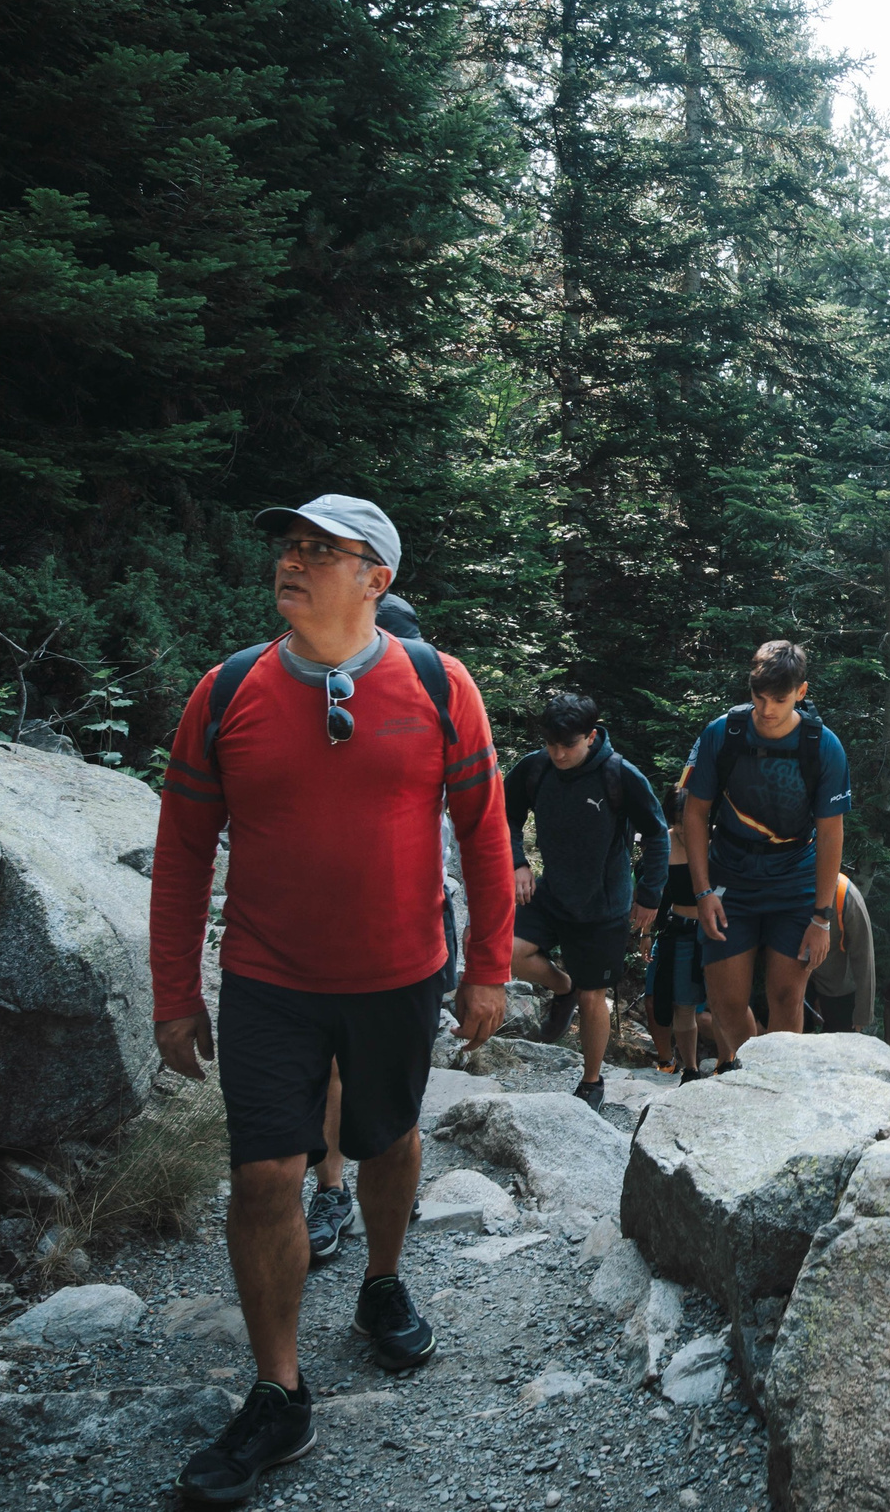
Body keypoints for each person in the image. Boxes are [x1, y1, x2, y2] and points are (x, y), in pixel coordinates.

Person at [151, 494, 512, 1505]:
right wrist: (172, 992)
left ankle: (382, 1283)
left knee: (388, 1138)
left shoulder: (440, 686)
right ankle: (279, 1394)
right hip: (267, 977)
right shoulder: (226, 692)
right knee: (266, 1175)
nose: (294, 560)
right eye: (290, 544)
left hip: (401, 970)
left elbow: (485, 832)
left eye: (324, 549)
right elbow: (182, 853)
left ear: (375, 579)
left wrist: (487, 966)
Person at [304, 591, 459, 1267]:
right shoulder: (316, 708)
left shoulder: (436, 698)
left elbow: (472, 825)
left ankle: (384, 1176)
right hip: (334, 923)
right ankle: (335, 1187)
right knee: (336, 1062)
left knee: (399, 1063)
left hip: (420, 918)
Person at [683, 640, 852, 1054]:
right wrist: (702, 892)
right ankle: (750, 1068)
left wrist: (822, 917)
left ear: (801, 692)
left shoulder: (823, 746)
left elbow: (831, 834)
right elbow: (694, 814)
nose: (768, 709)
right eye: (759, 697)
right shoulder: (723, 733)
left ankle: (779, 1084)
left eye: (779, 698)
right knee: (725, 1004)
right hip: (730, 878)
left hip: (794, 880)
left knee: (785, 997)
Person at [504, 693, 667, 1110]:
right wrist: (518, 861)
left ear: (590, 737)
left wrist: (649, 895)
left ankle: (592, 1082)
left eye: (568, 745)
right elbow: (505, 814)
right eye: (551, 744)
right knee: (508, 953)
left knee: (595, 995)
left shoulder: (619, 775)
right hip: (551, 892)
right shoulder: (534, 768)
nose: (558, 753)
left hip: (602, 905)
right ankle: (563, 985)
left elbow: (657, 834)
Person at [640, 776, 715, 1081]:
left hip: (715, 935)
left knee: (719, 1007)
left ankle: (729, 1062)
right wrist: (645, 934)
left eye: (690, 821)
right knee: (670, 1003)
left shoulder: (717, 842)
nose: (684, 830)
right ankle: (688, 1069)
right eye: (678, 822)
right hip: (677, 931)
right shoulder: (663, 844)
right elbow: (652, 892)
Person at [805, 873, 874, 1036]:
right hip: (799, 976)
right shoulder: (789, 885)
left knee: (839, 1041)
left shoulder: (846, 896)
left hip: (838, 985)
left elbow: (864, 960)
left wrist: (862, 1016)